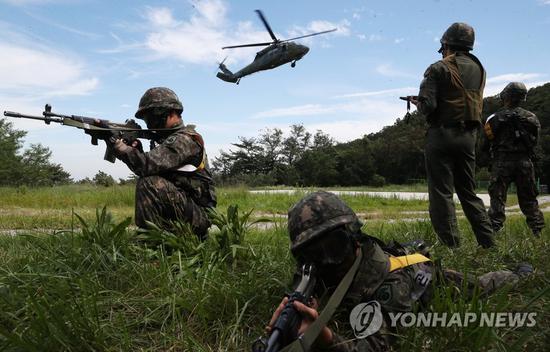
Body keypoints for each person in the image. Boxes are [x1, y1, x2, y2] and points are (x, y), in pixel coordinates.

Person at [265, 191, 531, 351]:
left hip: (421, 276)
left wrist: (324, 338)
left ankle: (518, 274)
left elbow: (377, 346)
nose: (325, 260)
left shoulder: (388, 286)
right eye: (311, 254)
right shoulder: (316, 270)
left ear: (353, 238)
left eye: (333, 247)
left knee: (478, 288)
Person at [411, 22, 494, 248]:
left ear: (446, 44)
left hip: (442, 134)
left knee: (441, 194)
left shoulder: (438, 68)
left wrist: (418, 102)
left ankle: (452, 247)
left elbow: (428, 106)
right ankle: (488, 242)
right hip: (469, 137)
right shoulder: (480, 69)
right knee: (468, 192)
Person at [113, 87, 216, 239]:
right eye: (146, 119)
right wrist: (135, 148)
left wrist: (117, 145)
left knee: (149, 183)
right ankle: (165, 237)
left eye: (152, 117)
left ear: (171, 112)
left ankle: (151, 241)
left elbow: (145, 166)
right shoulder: (167, 140)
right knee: (151, 180)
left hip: (198, 215)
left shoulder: (183, 140)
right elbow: (155, 167)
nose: (149, 125)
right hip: (187, 207)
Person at [483, 82, 545, 237]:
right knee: (529, 200)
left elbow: (484, 144)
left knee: (497, 201)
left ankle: (493, 234)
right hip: (525, 163)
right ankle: (537, 232)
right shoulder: (532, 118)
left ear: (507, 95)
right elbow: (535, 142)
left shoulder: (494, 118)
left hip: (501, 163)